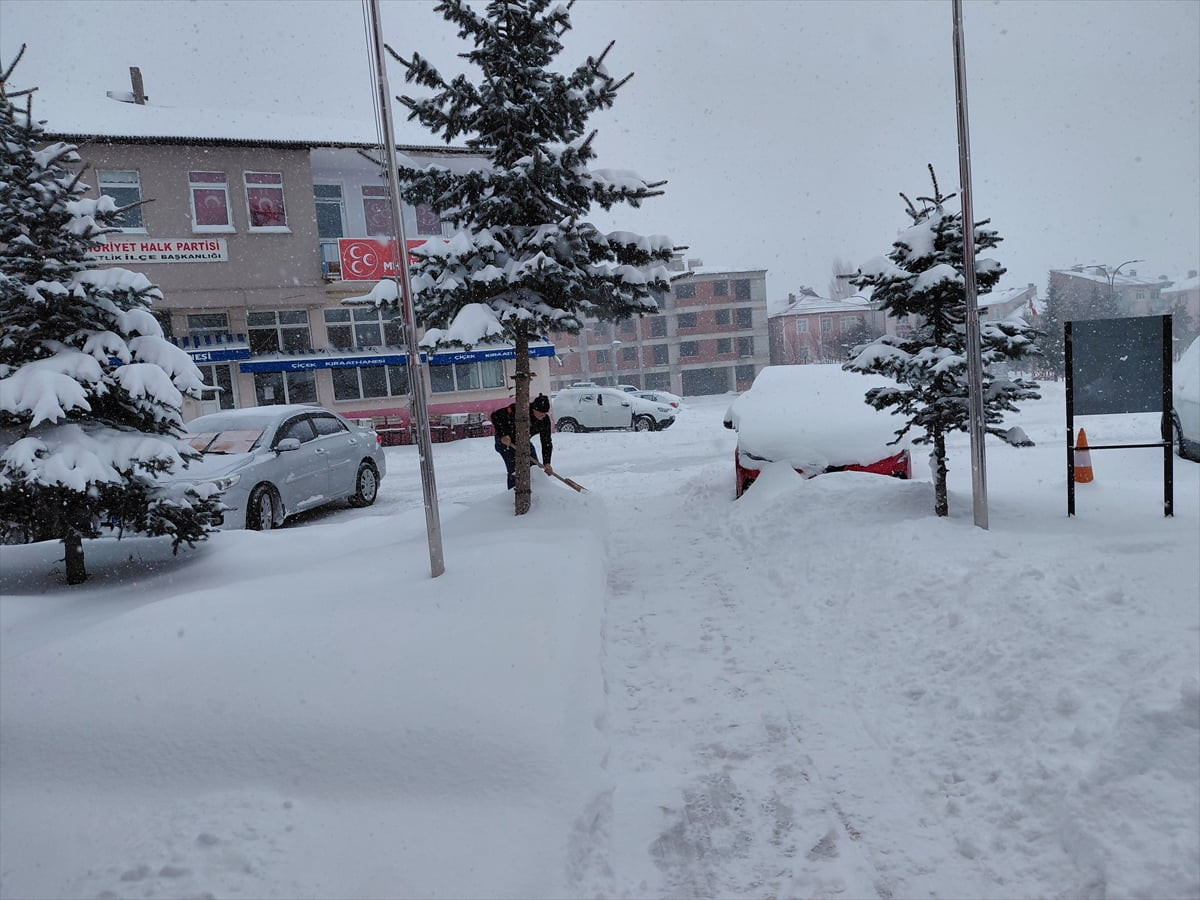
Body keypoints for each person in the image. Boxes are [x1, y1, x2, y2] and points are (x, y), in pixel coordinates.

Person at [490, 393, 555, 490]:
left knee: (534, 468)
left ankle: (536, 493)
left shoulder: (544, 420)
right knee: (516, 471)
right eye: (541, 412)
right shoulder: (520, 410)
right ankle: (514, 496)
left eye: (545, 413)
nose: (543, 415)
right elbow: (495, 415)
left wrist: (547, 463)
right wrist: (503, 434)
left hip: (523, 441)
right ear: (534, 409)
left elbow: (546, 442)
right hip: (505, 442)